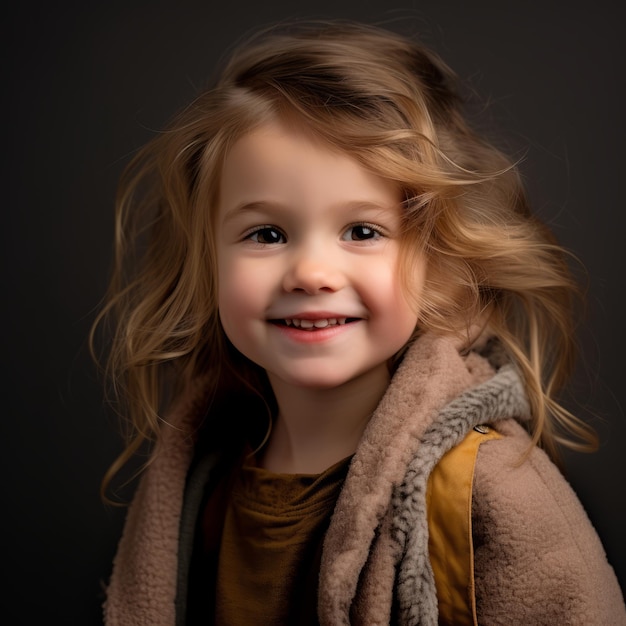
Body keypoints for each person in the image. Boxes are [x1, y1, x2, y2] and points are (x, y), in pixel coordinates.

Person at [91, 20, 626, 625]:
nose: (312, 272)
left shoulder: (493, 495)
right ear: (205, 263)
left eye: (363, 231)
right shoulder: (200, 489)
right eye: (266, 233)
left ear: (441, 267)